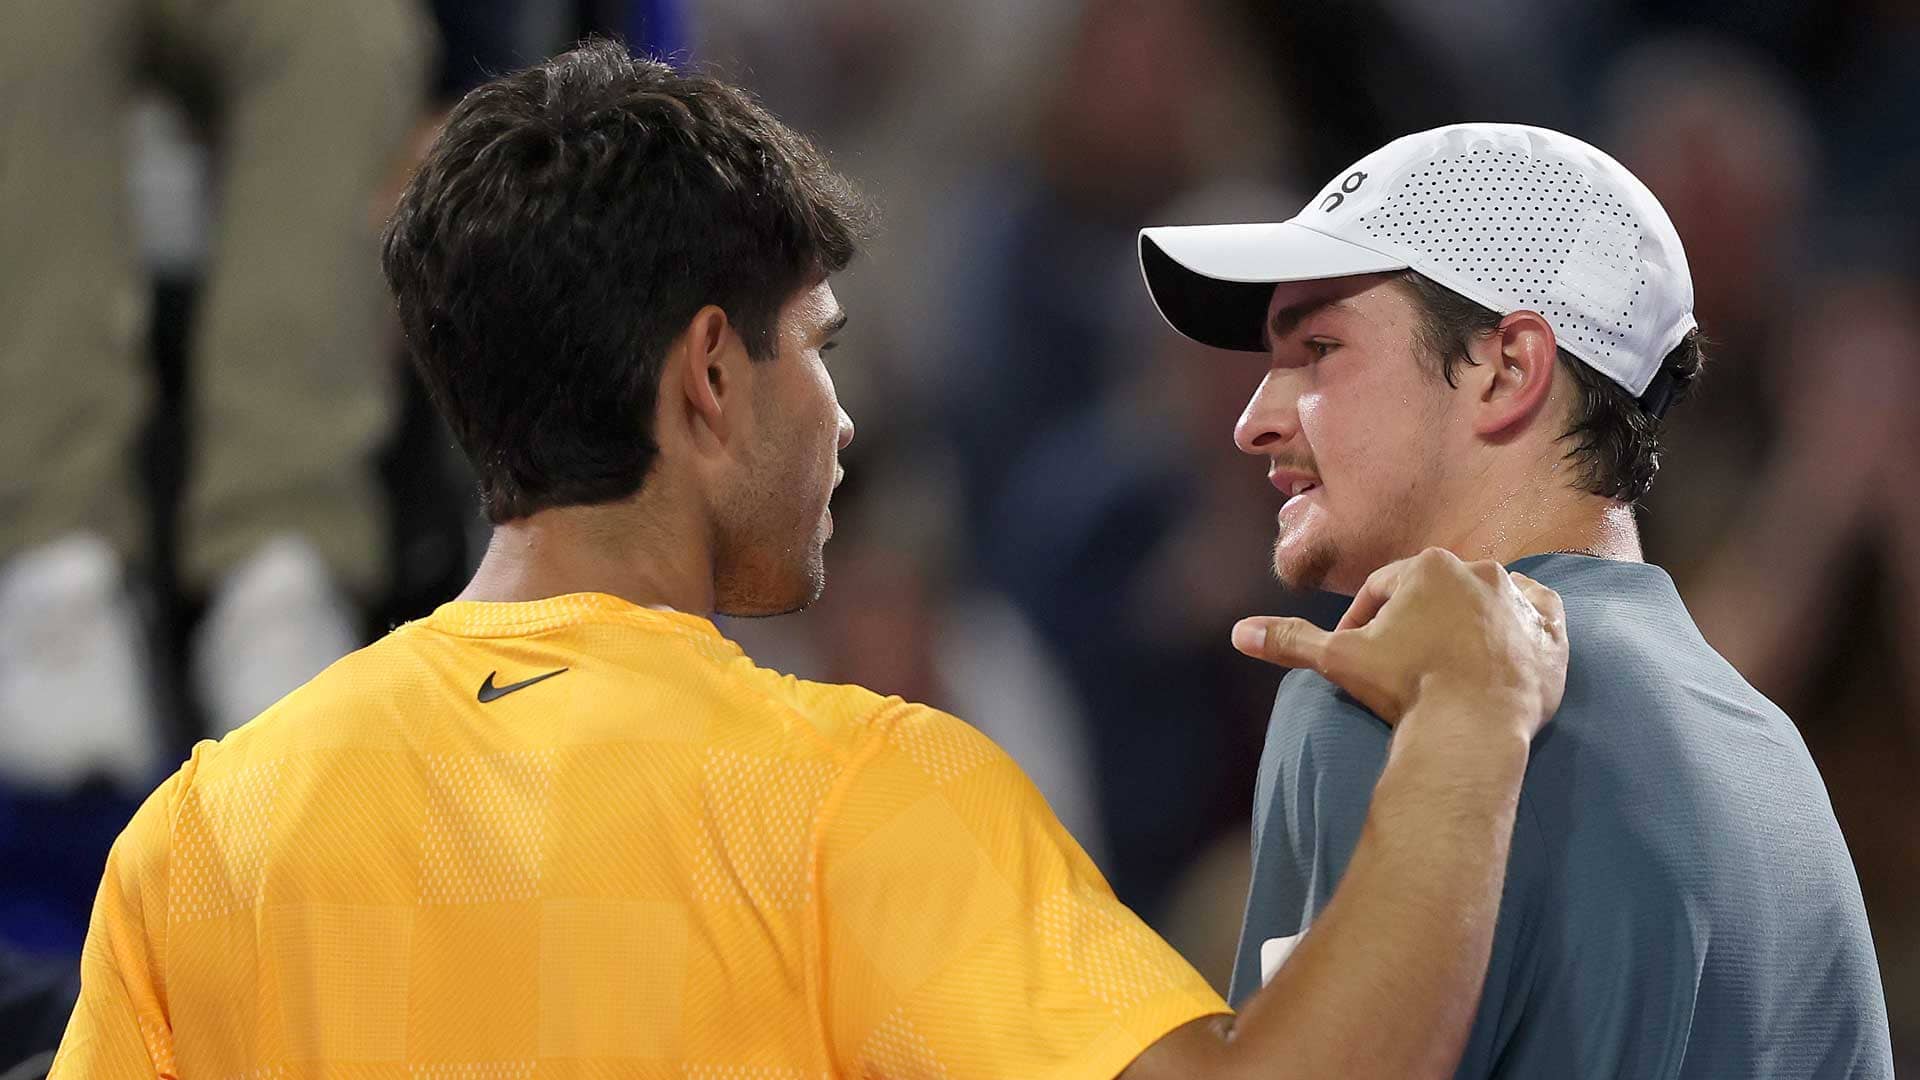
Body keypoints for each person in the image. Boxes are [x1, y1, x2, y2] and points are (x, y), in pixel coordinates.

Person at [49, 46, 1569, 1079]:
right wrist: (1471, 729)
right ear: (711, 377)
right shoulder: (851, 794)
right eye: (818, 354)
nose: (842, 421)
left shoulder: (203, 834)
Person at [1139, 121, 1895, 1077]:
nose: (1253, 420)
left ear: (1507, 369)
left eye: (1320, 348)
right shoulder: (1771, 758)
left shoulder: (1381, 699)